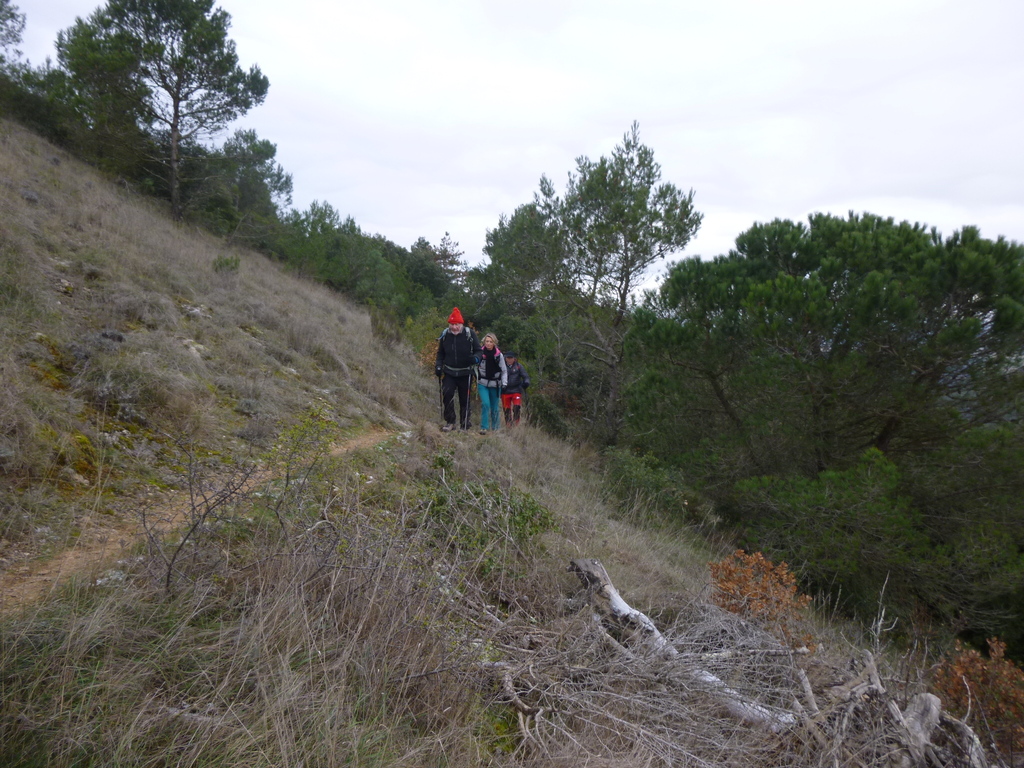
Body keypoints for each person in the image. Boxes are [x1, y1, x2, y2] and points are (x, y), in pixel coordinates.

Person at [435, 307, 481, 431]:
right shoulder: (445, 335)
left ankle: (465, 424)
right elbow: (440, 353)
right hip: (449, 371)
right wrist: (438, 365)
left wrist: (476, 359)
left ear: (461, 324)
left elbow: (478, 351)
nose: (454, 327)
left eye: (457, 324)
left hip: (466, 372)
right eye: (452, 324)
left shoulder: (469, 334)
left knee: (464, 399)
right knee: (447, 395)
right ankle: (450, 422)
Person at [476, 333, 507, 434]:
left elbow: (504, 371)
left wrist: (504, 383)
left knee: (494, 407)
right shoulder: (480, 353)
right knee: (485, 404)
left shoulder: (499, 355)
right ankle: (484, 427)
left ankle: (496, 428)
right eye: (487, 341)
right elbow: (475, 366)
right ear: (484, 342)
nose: (488, 343)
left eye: (490, 342)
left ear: (494, 343)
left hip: (495, 384)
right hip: (482, 383)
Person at [502, 351, 530, 426]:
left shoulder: (519, 366)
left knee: (517, 407)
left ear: (514, 358)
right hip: (505, 390)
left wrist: (526, 383)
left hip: (516, 390)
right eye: (508, 358)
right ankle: (508, 424)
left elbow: (525, 376)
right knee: (506, 409)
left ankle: (516, 423)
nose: (509, 360)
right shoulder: (502, 366)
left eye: (511, 358)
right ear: (505, 358)